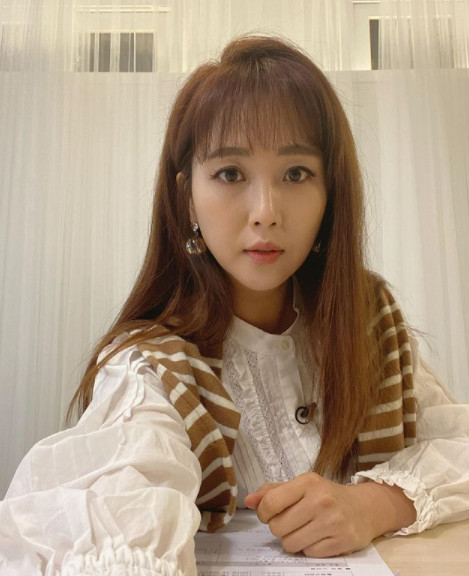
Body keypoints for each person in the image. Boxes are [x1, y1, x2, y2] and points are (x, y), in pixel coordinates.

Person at [0, 34, 468, 576]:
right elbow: (121, 512)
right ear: (186, 198)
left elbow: (456, 445)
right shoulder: (153, 368)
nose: (266, 210)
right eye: (230, 174)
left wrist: (373, 504)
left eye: (296, 173)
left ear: (331, 194)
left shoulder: (369, 325)